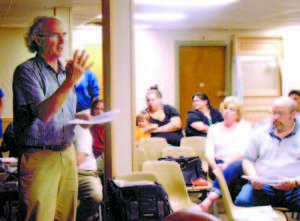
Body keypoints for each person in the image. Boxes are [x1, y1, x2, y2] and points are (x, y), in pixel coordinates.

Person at [13, 16, 91, 221]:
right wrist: (70, 81)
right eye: (55, 36)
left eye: (64, 35)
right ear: (37, 39)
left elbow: (58, 110)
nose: (63, 41)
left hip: (67, 154)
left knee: (66, 217)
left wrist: (78, 116)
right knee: (39, 218)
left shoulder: (65, 72)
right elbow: (44, 114)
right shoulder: (26, 71)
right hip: (39, 157)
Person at [235, 97, 300, 211]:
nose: (275, 117)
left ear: (293, 114)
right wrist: (254, 177)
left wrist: (294, 181)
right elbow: (248, 160)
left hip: (295, 187)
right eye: (273, 113)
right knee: (242, 202)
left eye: (280, 114)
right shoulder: (260, 132)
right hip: (263, 187)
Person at [198, 96, 252, 211]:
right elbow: (209, 152)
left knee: (235, 170)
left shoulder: (245, 127)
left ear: (237, 114)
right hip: (218, 166)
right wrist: (214, 166)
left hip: (239, 165)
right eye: (225, 108)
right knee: (236, 184)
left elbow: (245, 152)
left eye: (231, 109)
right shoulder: (214, 129)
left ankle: (210, 198)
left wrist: (228, 163)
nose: (227, 111)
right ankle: (236, 212)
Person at [74, 124, 103, 221]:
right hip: (65, 172)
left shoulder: (80, 129)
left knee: (95, 196)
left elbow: (79, 157)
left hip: (85, 173)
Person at [90, 98, 105, 171]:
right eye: (96, 109)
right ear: (92, 111)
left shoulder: (110, 127)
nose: (99, 112)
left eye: (102, 109)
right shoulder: (89, 127)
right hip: (92, 163)